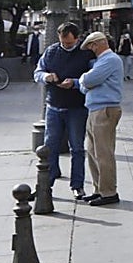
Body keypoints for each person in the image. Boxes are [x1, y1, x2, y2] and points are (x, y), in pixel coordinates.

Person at [34, 22, 95, 199]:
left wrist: (75, 83)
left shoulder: (85, 54)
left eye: (69, 43)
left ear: (77, 39)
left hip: (76, 107)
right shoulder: (52, 51)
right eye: (63, 42)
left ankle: (77, 185)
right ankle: (47, 182)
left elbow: (92, 77)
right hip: (54, 105)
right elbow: (38, 72)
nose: (65, 45)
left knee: (76, 147)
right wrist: (47, 76)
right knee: (50, 146)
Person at [76, 31, 124, 206]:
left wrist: (83, 79)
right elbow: (87, 85)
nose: (91, 49)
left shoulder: (110, 60)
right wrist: (86, 82)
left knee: (103, 153)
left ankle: (109, 191)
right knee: (93, 152)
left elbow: (88, 81)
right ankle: (99, 189)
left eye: (92, 45)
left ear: (99, 43)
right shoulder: (102, 61)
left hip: (105, 109)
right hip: (96, 108)